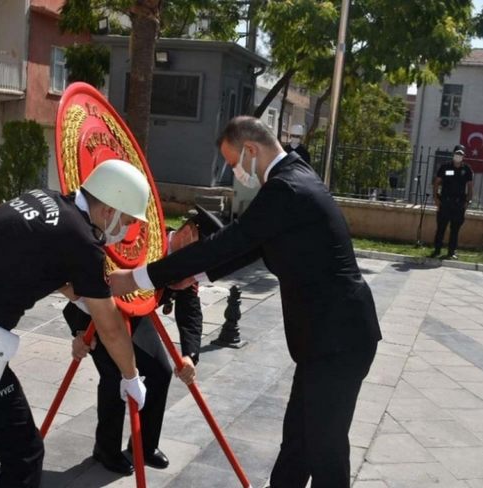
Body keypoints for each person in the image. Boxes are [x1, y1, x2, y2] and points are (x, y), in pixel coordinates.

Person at [109, 116, 381, 488]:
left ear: (251, 149)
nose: (236, 173)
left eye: (235, 163)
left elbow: (232, 241)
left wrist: (136, 277)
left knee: (325, 449)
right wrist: (197, 276)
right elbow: (255, 245)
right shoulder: (293, 177)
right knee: (299, 440)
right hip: (325, 337)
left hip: (339, 338)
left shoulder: (287, 188)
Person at [0, 159, 150, 488]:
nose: (126, 231)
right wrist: (130, 375)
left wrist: (143, 279)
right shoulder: (81, 242)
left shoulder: (46, 202)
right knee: (25, 452)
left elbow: (70, 284)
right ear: (108, 210)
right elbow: (111, 328)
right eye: (128, 221)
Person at [64, 206, 224, 475]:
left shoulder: (187, 268)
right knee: (115, 375)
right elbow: (91, 282)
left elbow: (190, 306)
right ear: (188, 231)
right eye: (200, 251)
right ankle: (107, 450)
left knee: (160, 371)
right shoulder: (144, 241)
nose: (199, 262)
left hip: (138, 316)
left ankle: (146, 446)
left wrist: (190, 354)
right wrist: (81, 332)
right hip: (97, 312)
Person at [431, 144, 474, 260]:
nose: (458, 156)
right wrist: (435, 198)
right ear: (453, 154)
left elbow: (470, 187)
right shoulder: (445, 167)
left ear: (463, 156)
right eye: (457, 153)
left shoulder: (467, 169)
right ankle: (437, 250)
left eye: (461, 154)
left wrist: (467, 202)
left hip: (459, 203)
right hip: (445, 202)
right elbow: (436, 183)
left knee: (455, 229)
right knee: (441, 227)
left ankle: (451, 252)